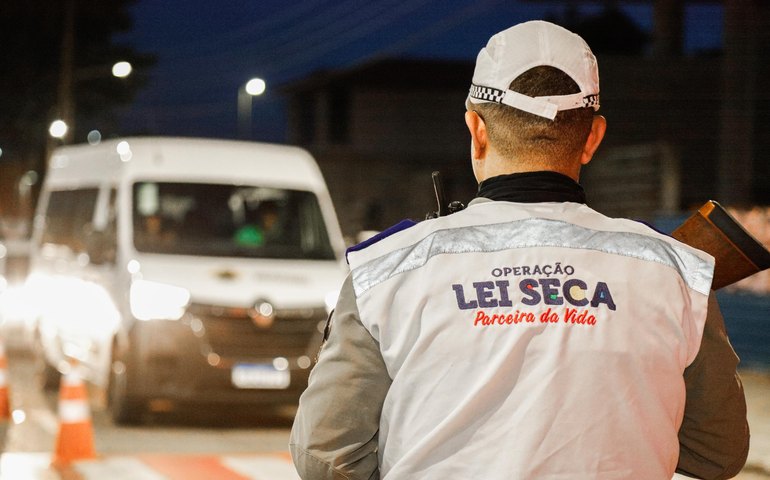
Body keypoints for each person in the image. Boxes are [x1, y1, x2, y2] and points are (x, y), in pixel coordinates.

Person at [289, 20, 749, 479]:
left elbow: (326, 456)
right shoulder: (674, 275)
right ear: (592, 137)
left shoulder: (387, 271)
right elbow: (718, 453)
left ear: (477, 129)